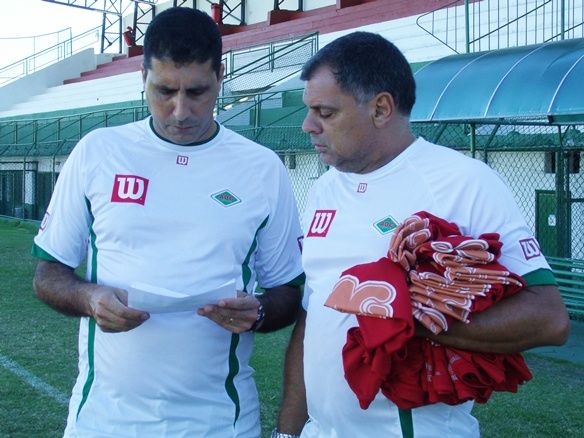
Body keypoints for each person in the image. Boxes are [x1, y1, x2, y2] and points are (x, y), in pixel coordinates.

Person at [272, 32, 570, 438]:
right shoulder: (325, 187)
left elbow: (549, 320)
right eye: (309, 110)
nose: (308, 125)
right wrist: (288, 431)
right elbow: (315, 316)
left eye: (325, 112)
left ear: (380, 108)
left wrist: (411, 318)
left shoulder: (462, 182)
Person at [32, 7, 304, 438]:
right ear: (142, 79)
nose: (180, 111)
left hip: (221, 425)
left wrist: (259, 311)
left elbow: (288, 289)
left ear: (220, 77)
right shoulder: (98, 152)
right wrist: (90, 298)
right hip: (103, 423)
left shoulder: (262, 168)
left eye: (196, 92)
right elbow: (48, 274)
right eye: (164, 91)